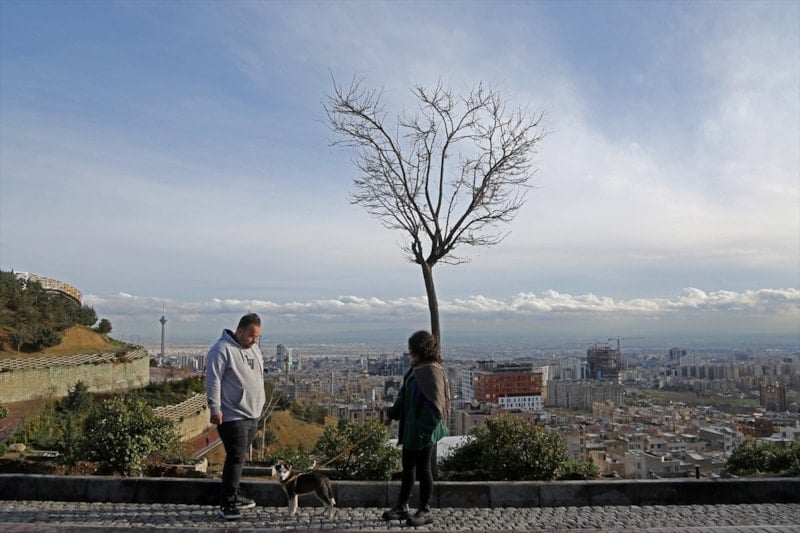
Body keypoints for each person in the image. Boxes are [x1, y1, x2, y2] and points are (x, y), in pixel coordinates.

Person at [382, 330, 450, 526]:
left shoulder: (431, 371)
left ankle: (424, 509)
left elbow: (435, 406)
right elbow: (403, 397)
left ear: (419, 349)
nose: (410, 352)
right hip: (412, 428)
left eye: (412, 348)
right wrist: (391, 415)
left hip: (423, 431)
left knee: (424, 468)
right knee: (408, 468)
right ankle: (402, 506)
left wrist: (422, 429)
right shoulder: (416, 368)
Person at [205, 313, 266, 521]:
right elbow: (213, 381)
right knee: (235, 457)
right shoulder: (221, 350)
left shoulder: (254, 349)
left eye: (256, 337)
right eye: (250, 336)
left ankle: (235, 495)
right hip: (233, 415)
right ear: (239, 331)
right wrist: (215, 408)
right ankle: (227, 503)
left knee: (240, 458)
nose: (253, 340)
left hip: (252, 413)